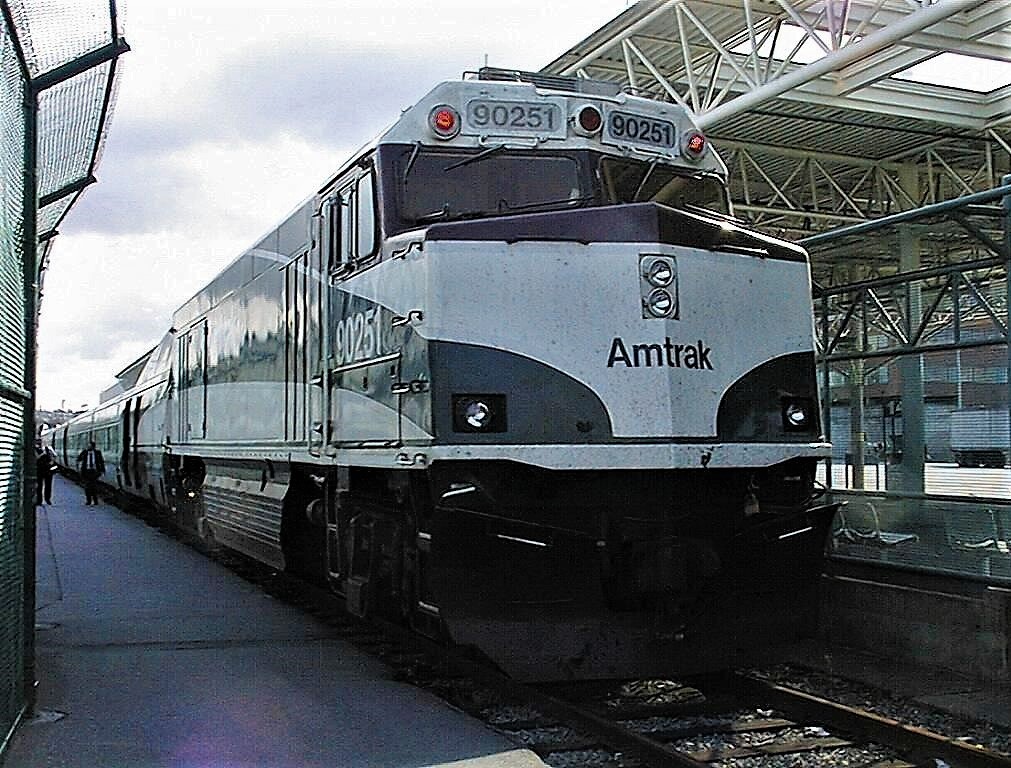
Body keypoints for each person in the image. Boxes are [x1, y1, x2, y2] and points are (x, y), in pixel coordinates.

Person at [76, 440, 105, 506]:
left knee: (94, 487)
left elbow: (101, 461)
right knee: (87, 487)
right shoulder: (84, 452)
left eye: (90, 445)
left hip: (95, 472)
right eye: (88, 445)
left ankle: (95, 501)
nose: (89, 447)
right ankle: (88, 500)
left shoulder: (98, 453)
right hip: (86, 471)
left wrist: (102, 470)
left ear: (93, 446)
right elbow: (78, 459)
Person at [34, 439, 56, 505]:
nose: (39, 443)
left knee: (48, 486)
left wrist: (52, 460)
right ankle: (39, 500)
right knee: (39, 486)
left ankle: (47, 499)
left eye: (40, 441)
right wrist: (43, 453)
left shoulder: (48, 449)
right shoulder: (35, 449)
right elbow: (36, 458)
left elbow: (54, 456)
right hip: (39, 470)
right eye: (38, 441)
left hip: (48, 470)